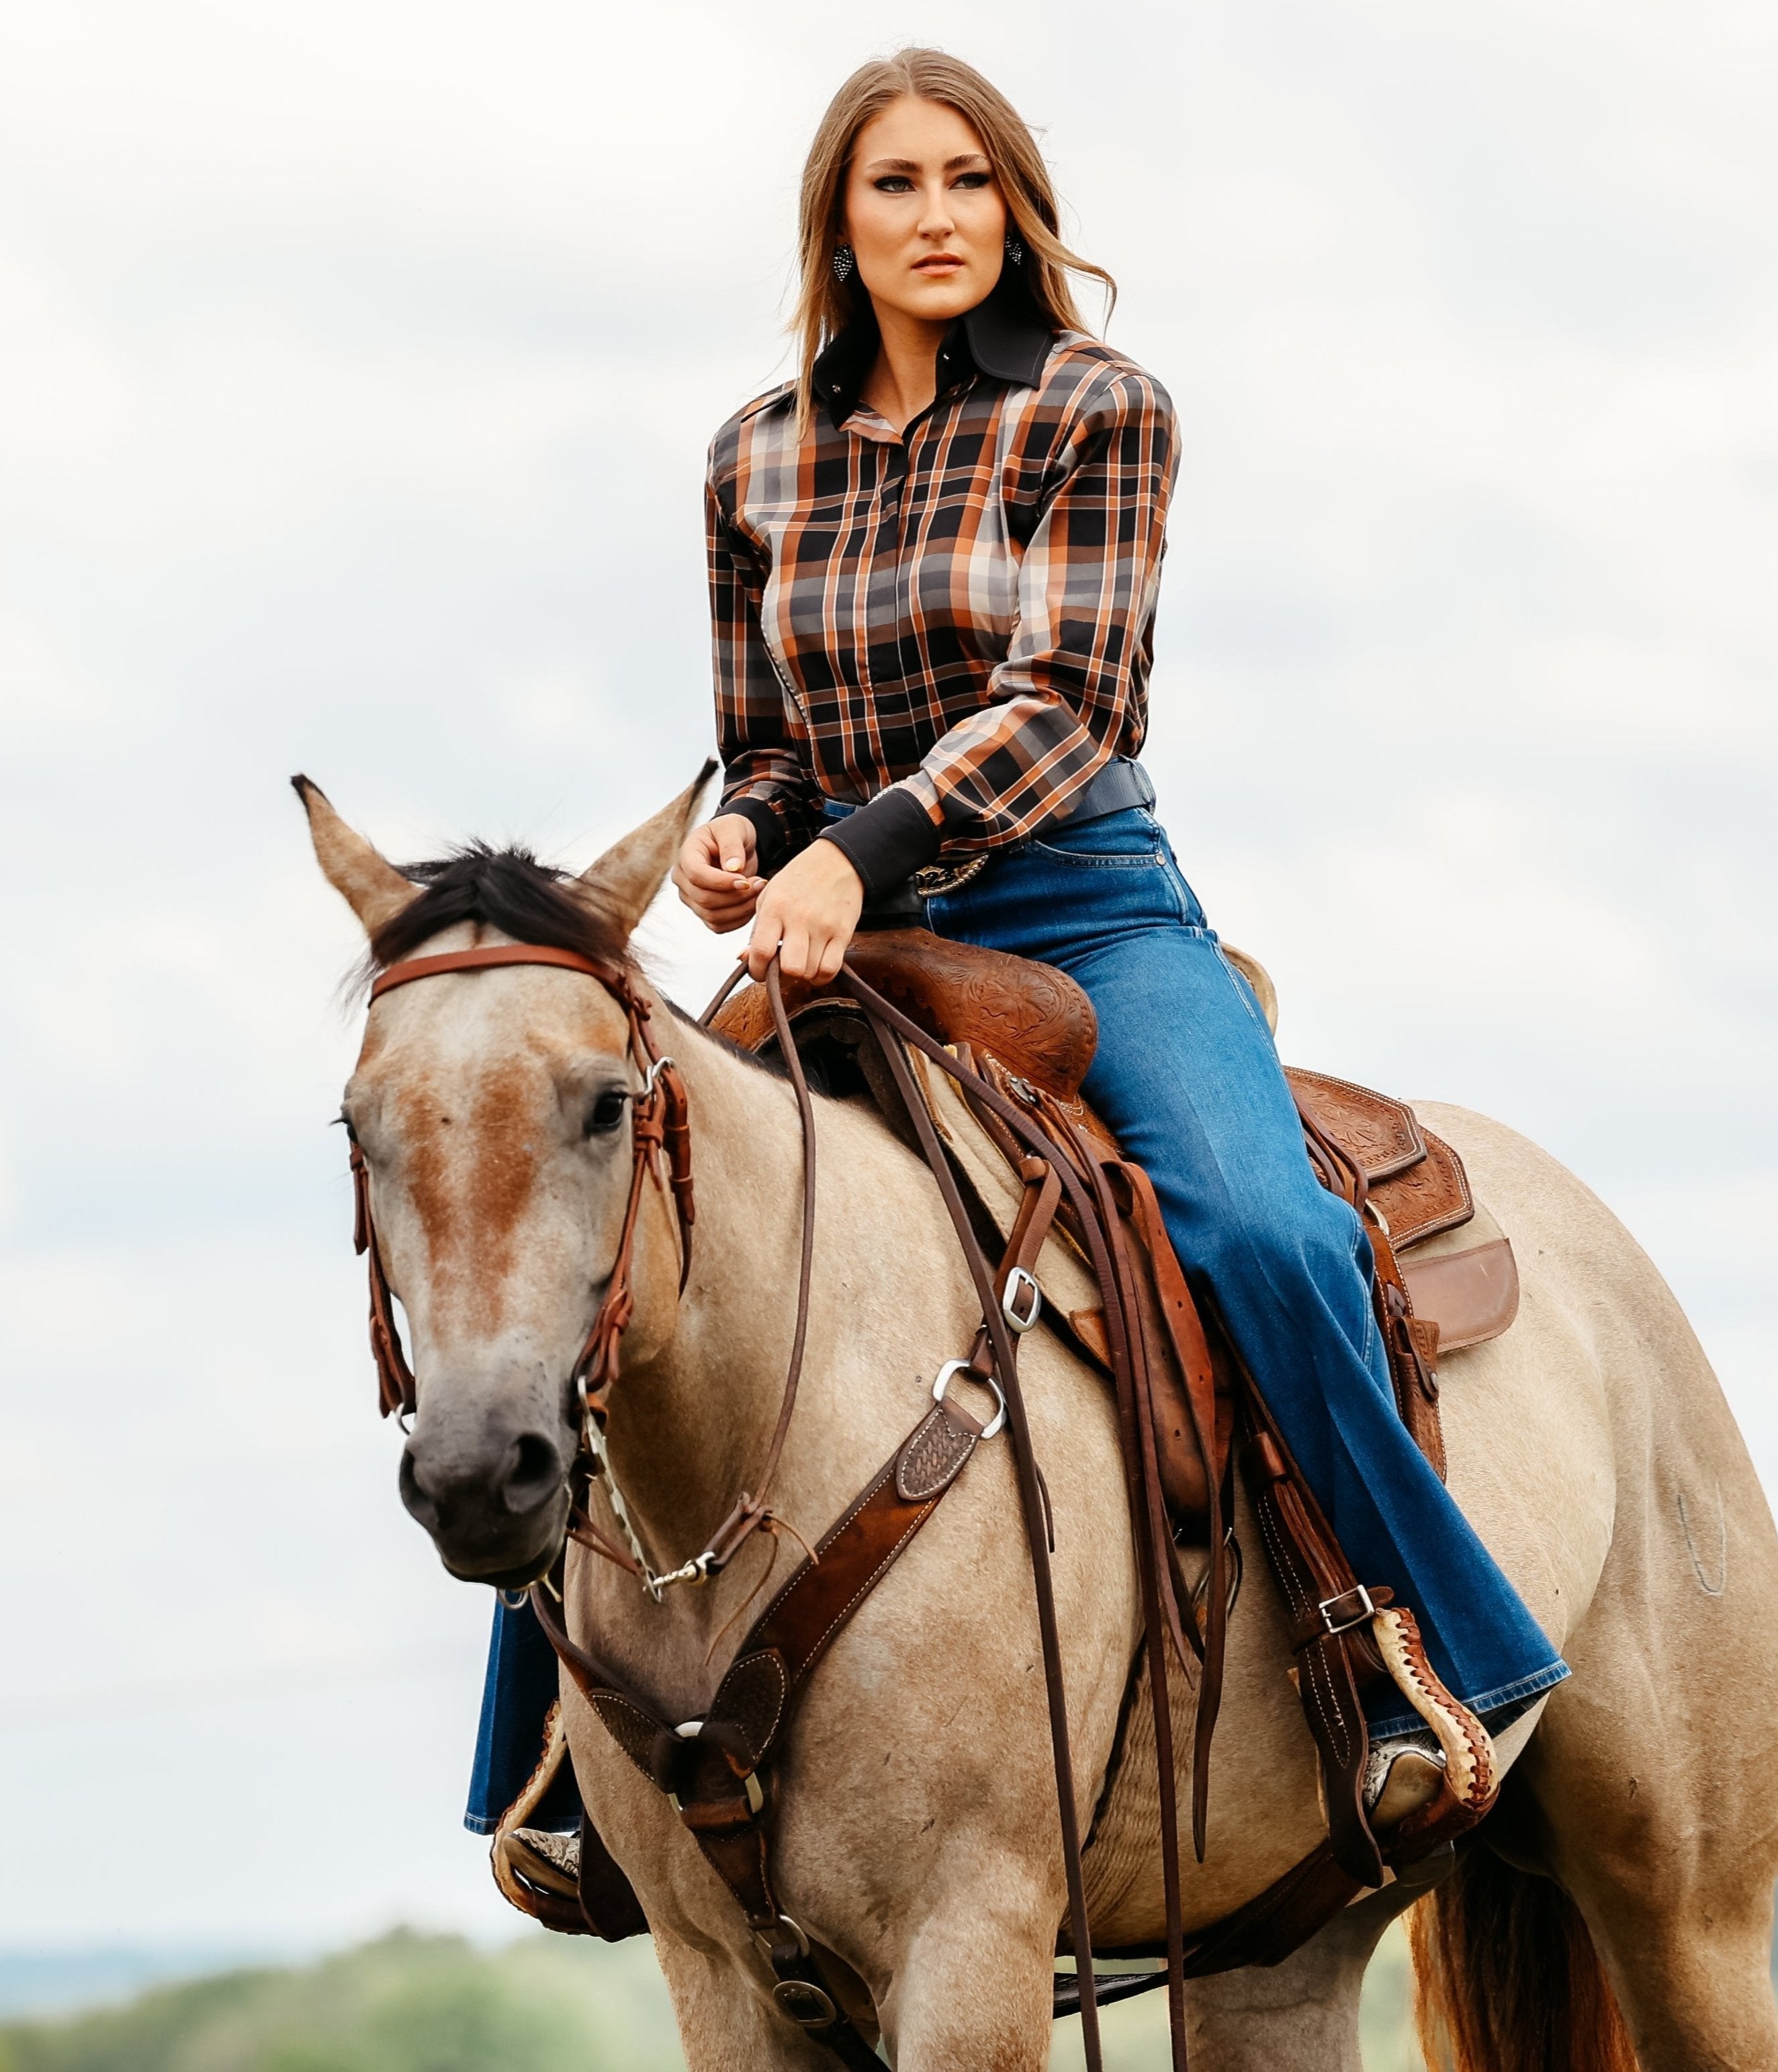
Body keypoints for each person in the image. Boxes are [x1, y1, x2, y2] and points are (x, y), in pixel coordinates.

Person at [468, 46, 1565, 1842]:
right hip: (844, 920)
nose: (934, 217)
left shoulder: (1094, 408)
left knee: (1260, 1222)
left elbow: (1073, 696)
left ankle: (1420, 1639)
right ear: (837, 214)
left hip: (1079, 906)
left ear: (1016, 206)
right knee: (598, 1193)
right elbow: (763, 727)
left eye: (967, 181)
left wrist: (860, 845)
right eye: (894, 183)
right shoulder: (754, 453)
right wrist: (754, 831)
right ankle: (554, 1767)